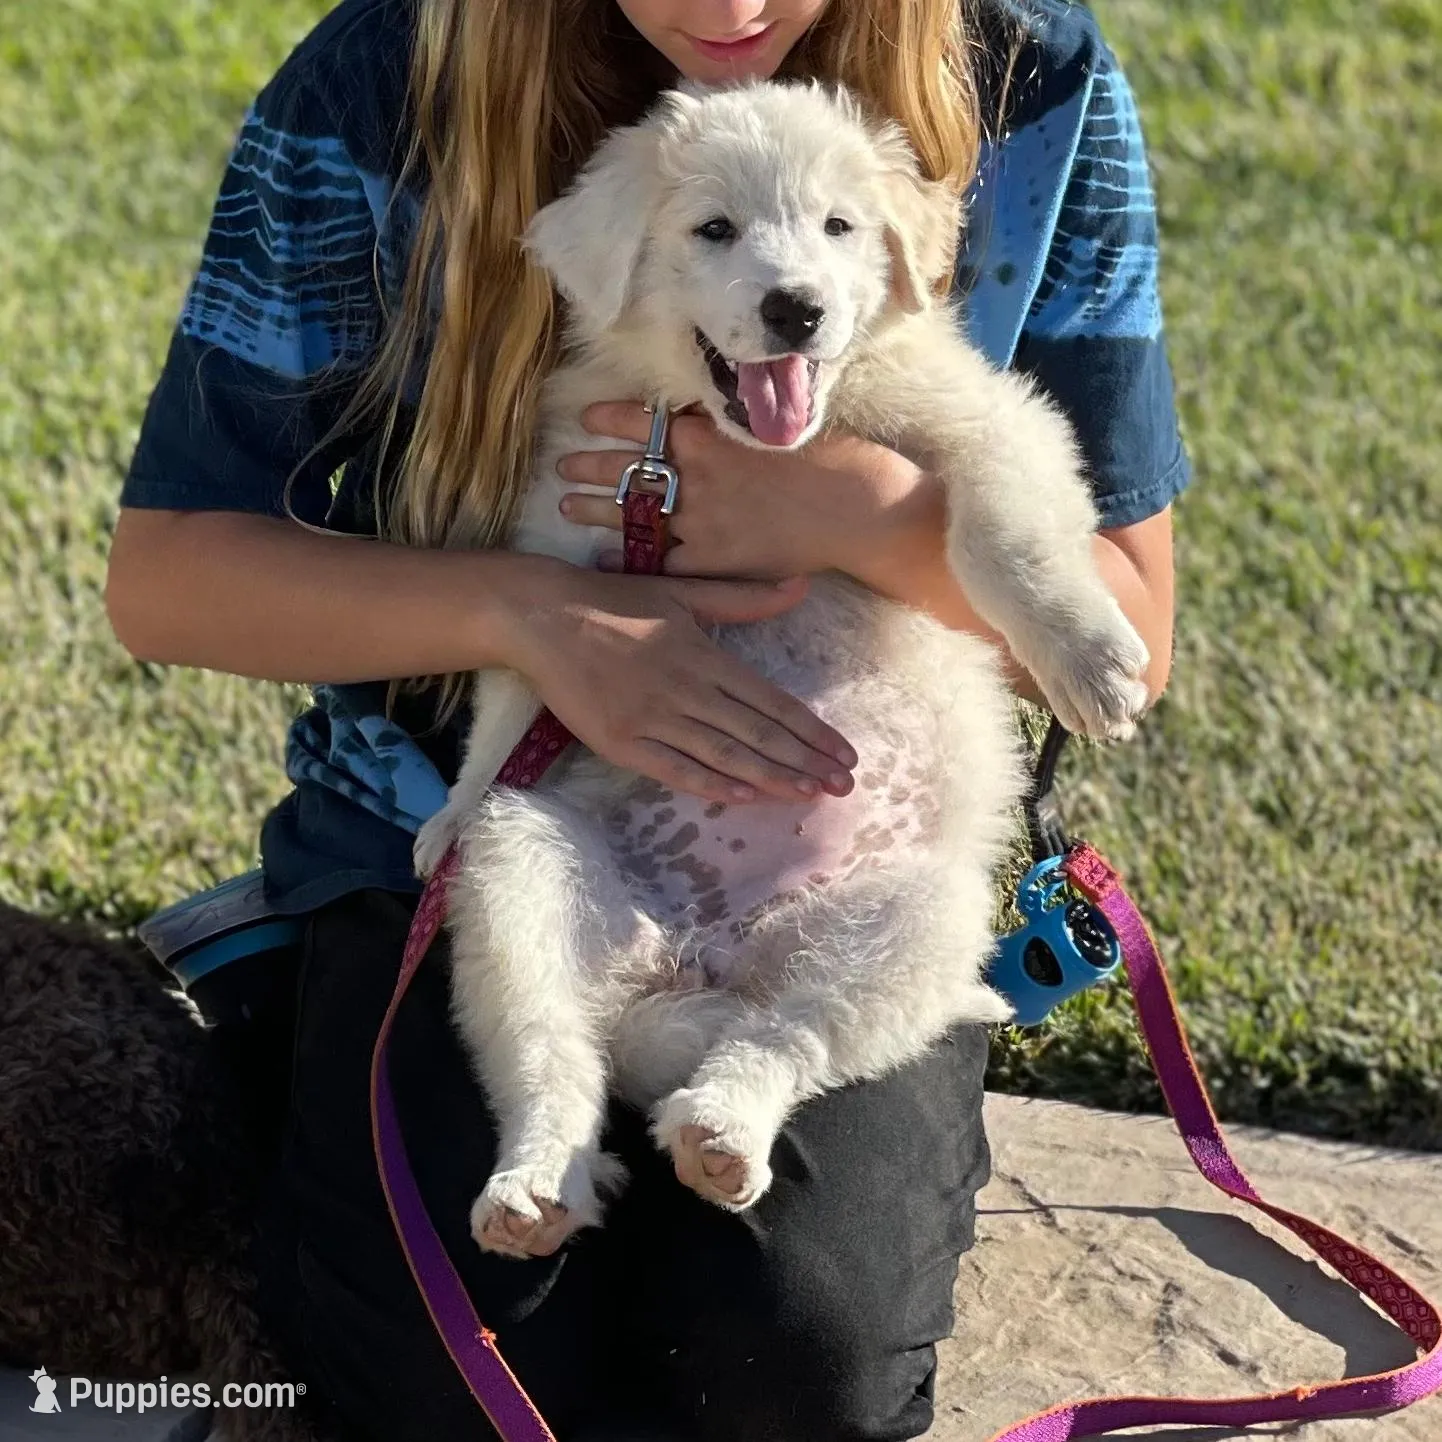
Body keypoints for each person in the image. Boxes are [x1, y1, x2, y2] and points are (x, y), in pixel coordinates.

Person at [105, 1, 1188, 1438]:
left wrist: (850, 509)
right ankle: (357, 1001)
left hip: (844, 859)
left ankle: (731, 1083)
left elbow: (1122, 621)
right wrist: (533, 621)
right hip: (504, 824)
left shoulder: (1031, 69)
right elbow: (167, 579)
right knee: (455, 1379)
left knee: (789, 1363)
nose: (725, 3)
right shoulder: (380, 77)